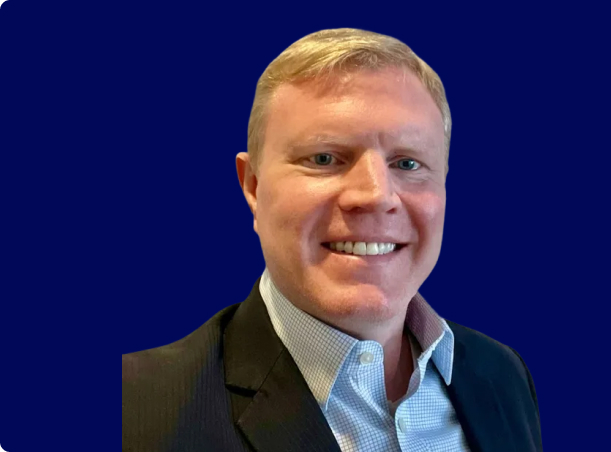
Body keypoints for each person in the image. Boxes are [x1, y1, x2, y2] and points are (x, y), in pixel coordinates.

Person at [122, 28, 542, 452]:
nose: (376, 195)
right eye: (324, 158)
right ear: (253, 187)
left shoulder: (503, 375)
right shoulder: (134, 410)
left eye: (408, 163)